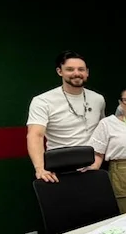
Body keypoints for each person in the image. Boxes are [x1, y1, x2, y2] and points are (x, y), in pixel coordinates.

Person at [27, 51, 106, 183]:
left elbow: (102, 133)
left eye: (81, 69)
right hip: (58, 169)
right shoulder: (42, 101)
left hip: (92, 166)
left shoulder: (98, 99)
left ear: (87, 72)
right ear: (60, 71)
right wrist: (40, 168)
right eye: (70, 69)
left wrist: (97, 162)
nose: (76, 73)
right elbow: (35, 135)